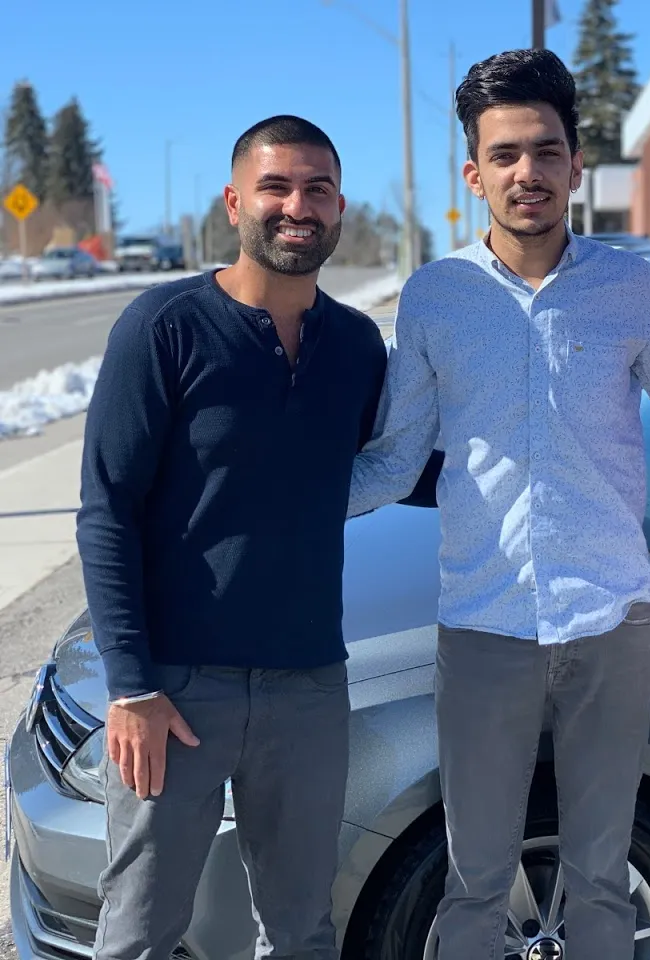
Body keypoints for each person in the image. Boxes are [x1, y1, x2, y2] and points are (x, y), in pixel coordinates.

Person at [346, 49, 650, 960]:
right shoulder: (436, 298)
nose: (525, 172)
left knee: (602, 877)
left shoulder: (630, 289)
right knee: (473, 883)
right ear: (474, 174)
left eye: (545, 151)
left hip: (610, 622)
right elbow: (395, 460)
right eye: (504, 155)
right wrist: (270, 510)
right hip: (483, 629)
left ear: (576, 164)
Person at [76, 115, 387, 960]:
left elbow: (406, 466)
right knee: (141, 932)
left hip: (309, 687)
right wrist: (132, 685)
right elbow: (107, 510)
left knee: (301, 934)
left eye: (317, 189)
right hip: (177, 692)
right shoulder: (164, 327)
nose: (298, 207)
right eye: (275, 187)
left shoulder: (355, 346)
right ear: (234, 202)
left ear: (340, 206)